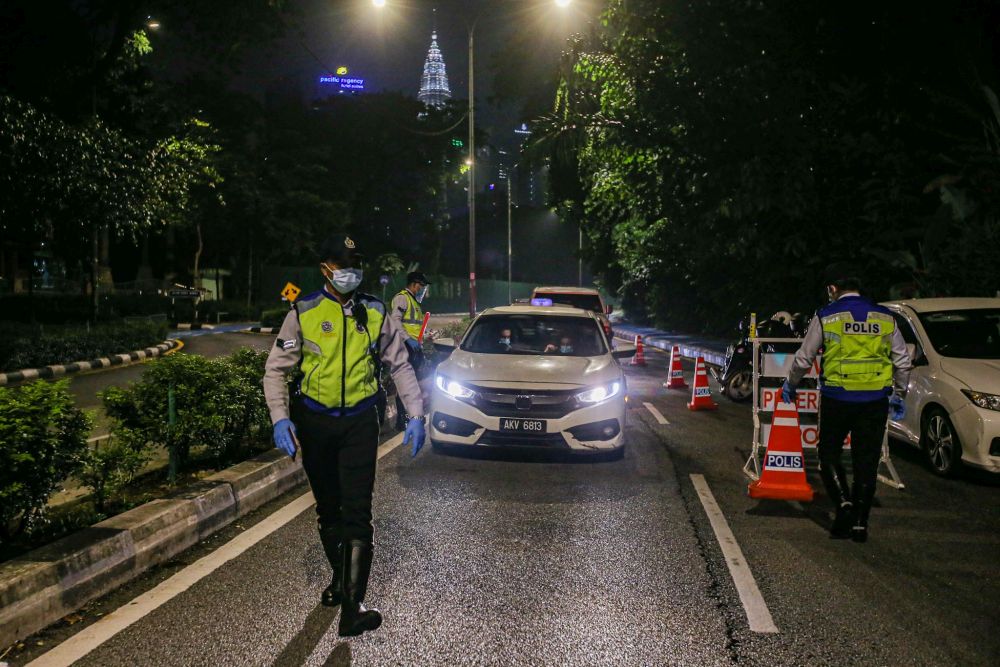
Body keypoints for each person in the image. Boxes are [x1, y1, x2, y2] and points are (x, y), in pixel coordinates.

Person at [263, 233, 426, 637]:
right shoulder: (302, 312)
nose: (351, 273)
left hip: (358, 422)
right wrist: (280, 417)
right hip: (315, 423)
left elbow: (400, 365)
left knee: (357, 514)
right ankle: (340, 580)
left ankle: (353, 608)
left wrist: (416, 413)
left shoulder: (374, 311)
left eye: (356, 266)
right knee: (328, 510)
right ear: (326, 269)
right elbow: (277, 369)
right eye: (343, 266)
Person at [782, 264, 911, 543]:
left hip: (837, 398)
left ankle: (843, 504)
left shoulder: (827, 315)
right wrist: (899, 395)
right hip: (875, 400)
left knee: (828, 454)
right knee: (866, 461)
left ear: (832, 289)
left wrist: (790, 384)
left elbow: (804, 358)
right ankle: (860, 525)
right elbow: (903, 361)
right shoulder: (885, 317)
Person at [390, 271, 431, 429]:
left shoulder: (415, 303)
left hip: (414, 348)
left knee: (414, 383)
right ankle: (402, 420)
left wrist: (425, 337)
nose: (423, 290)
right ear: (414, 284)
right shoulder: (402, 298)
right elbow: (395, 320)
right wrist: (407, 338)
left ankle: (412, 414)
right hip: (405, 347)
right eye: (422, 286)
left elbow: (415, 327)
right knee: (405, 383)